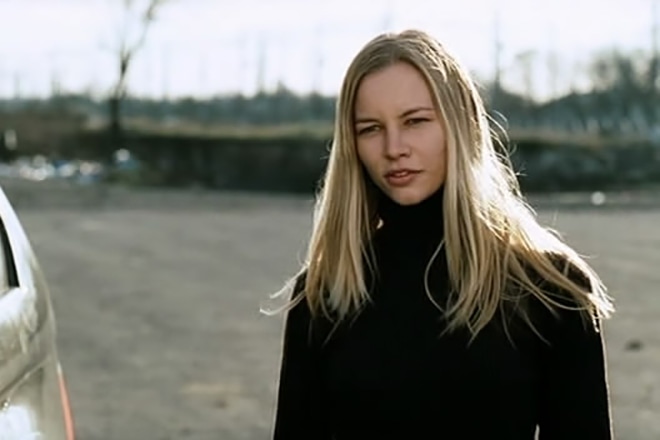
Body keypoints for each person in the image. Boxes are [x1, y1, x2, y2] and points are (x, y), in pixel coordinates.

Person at [263, 28, 616, 439]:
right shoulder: (326, 292)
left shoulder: (549, 287)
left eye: (415, 121)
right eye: (371, 128)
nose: (394, 148)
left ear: (461, 124)